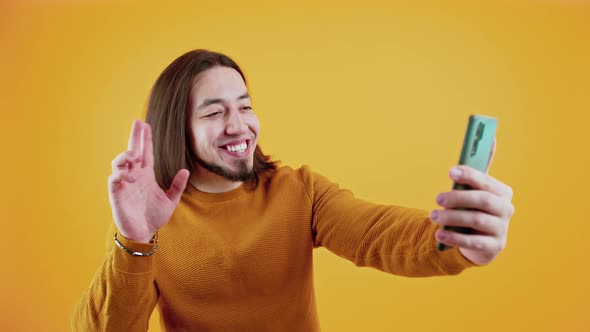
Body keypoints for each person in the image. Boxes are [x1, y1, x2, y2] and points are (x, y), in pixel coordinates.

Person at [72, 49, 514, 331]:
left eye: (244, 105)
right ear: (177, 129)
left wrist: (456, 239)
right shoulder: (153, 224)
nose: (238, 124)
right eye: (214, 113)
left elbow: (378, 233)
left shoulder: (298, 191)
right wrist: (134, 236)